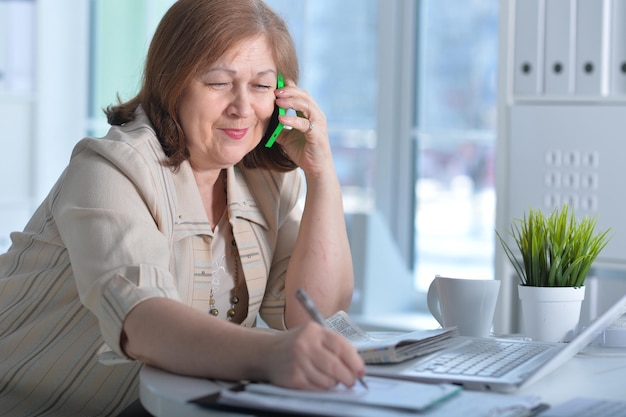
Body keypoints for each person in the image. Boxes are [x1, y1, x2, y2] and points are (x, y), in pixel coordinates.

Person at [0, 0, 365, 415]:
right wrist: (272, 352)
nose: (243, 107)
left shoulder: (265, 178)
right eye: (218, 82)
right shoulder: (110, 168)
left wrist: (323, 175)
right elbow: (142, 323)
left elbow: (315, 316)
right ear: (173, 83)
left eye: (262, 86)